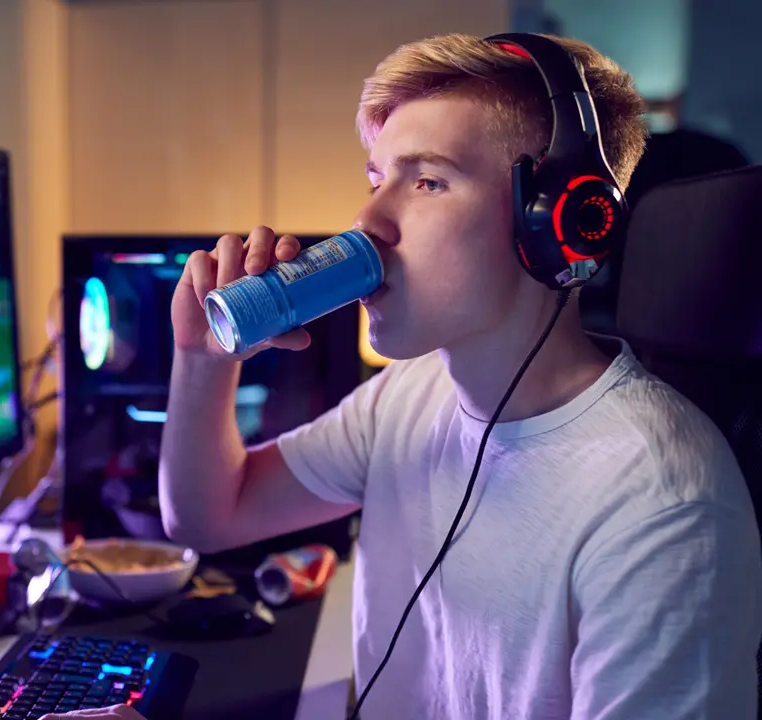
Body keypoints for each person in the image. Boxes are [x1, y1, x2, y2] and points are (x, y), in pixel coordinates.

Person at [43, 32, 762, 720]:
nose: (368, 220)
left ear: (554, 220)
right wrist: (202, 361)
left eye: (427, 180)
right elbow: (209, 516)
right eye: (376, 178)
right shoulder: (409, 395)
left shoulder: (665, 504)